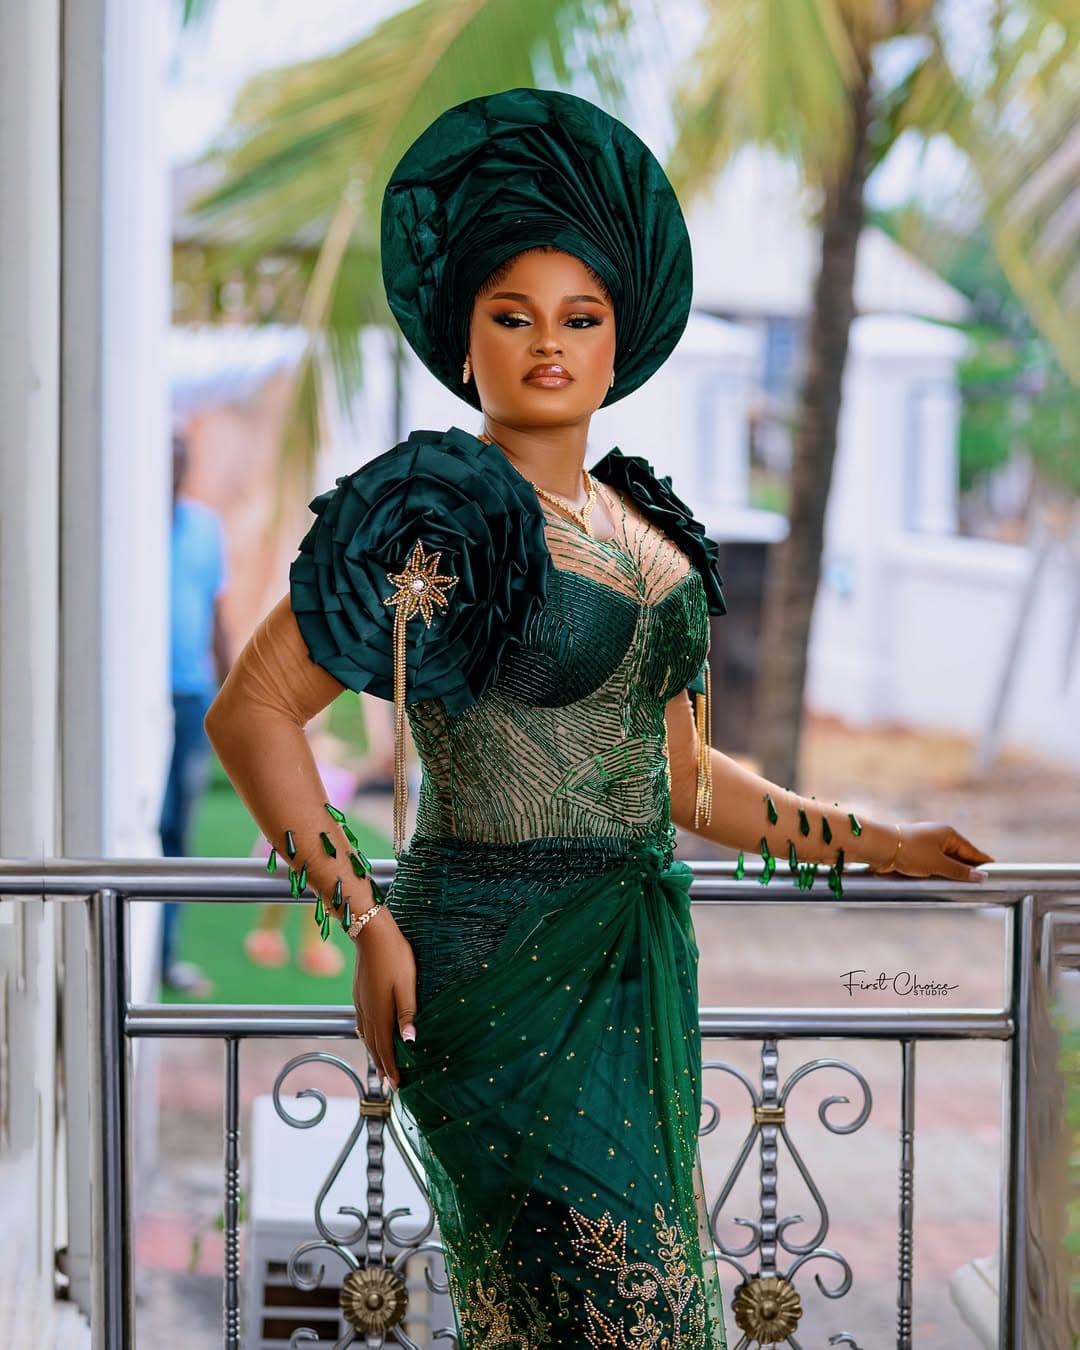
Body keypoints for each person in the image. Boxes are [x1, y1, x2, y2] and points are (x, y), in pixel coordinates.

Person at [204, 88, 993, 1348]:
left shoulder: (651, 527)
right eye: (511, 315)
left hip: (634, 968)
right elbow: (252, 712)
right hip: (482, 966)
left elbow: (687, 783)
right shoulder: (429, 515)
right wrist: (362, 917)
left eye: (581, 317)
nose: (548, 345)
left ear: (620, 343)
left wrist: (879, 842)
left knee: (599, 1317)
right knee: (620, 1312)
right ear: (463, 339)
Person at [160, 430, 230, 996]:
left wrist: (232, 690)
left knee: (177, 826)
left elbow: (216, 612)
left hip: (189, 696)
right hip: (141, 701)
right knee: (145, 821)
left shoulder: (205, 528)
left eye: (180, 460)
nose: (174, 469)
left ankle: (165, 954)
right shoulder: (128, 528)